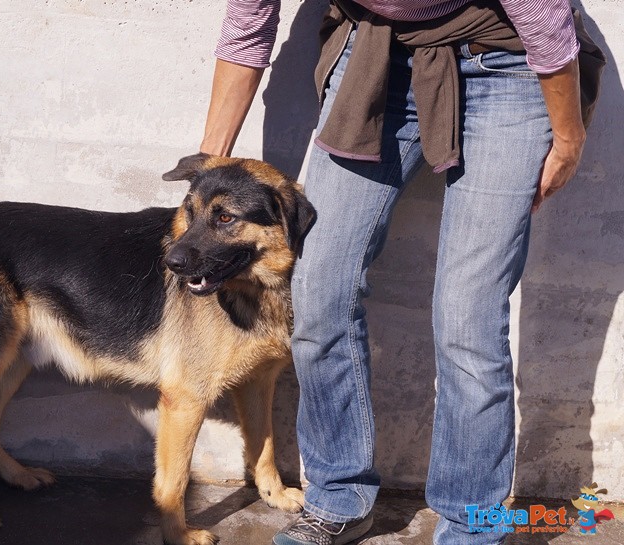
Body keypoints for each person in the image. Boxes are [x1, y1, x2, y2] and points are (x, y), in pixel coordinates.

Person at [199, 1, 592, 544]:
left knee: (467, 317)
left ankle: (472, 525)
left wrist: (569, 137)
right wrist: (207, 168)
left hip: (506, 66)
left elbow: (546, 20)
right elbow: (248, 25)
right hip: (376, 59)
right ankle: (339, 499)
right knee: (320, 294)